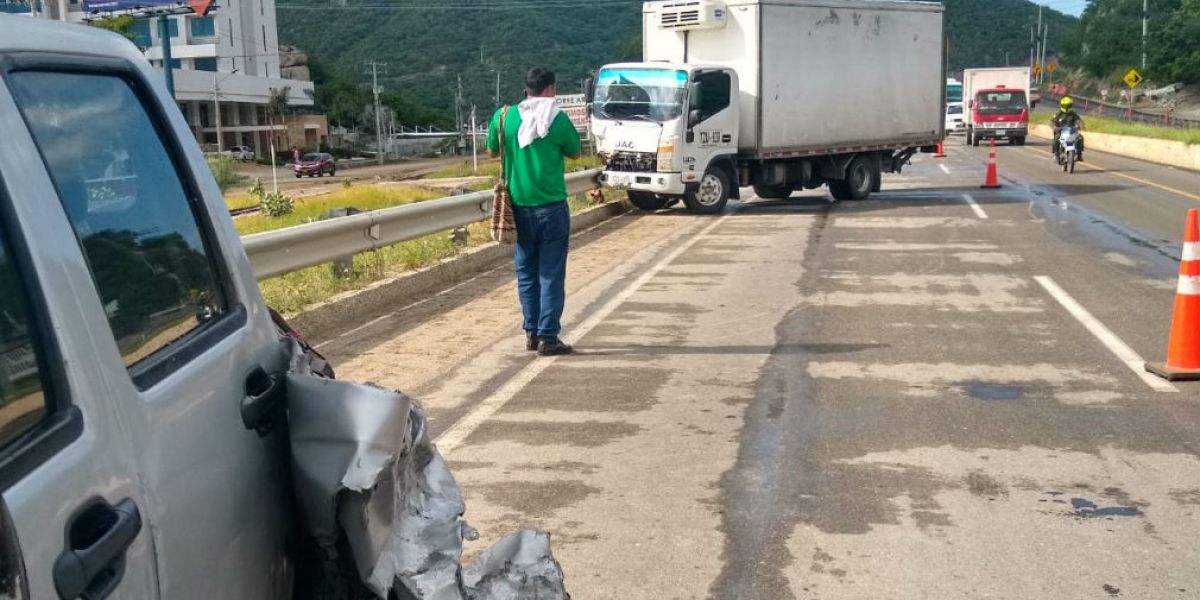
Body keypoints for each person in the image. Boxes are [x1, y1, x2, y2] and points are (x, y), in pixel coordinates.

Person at [486, 67, 582, 356]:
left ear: (526, 89)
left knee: (526, 272)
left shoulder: (503, 117)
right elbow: (576, 151)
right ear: (551, 89)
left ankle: (531, 333)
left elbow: (492, 150)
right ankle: (548, 337)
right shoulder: (558, 118)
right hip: (552, 207)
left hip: (518, 208)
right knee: (550, 274)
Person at [1051, 96, 1085, 162]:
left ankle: (1079, 155)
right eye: (1065, 105)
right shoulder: (1058, 113)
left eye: (1068, 105)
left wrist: (1081, 125)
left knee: (1080, 137)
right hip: (1061, 131)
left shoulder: (1073, 114)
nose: (1067, 107)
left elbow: (1079, 120)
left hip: (1071, 131)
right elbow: (1052, 122)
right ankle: (1056, 155)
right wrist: (1055, 127)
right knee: (1056, 138)